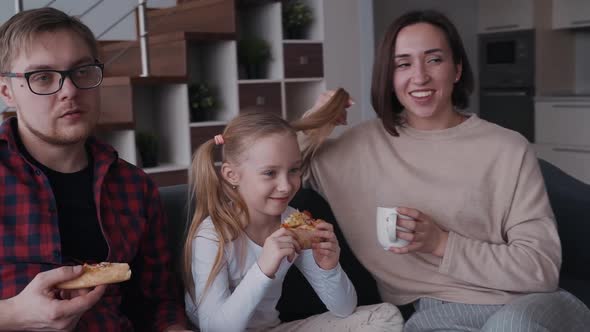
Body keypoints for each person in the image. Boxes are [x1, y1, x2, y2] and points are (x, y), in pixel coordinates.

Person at [302, 9, 590, 332]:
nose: (420, 76)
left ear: (457, 70)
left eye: (434, 59)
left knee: (510, 326)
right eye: (403, 63)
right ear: (388, 75)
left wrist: (442, 243)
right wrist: (315, 122)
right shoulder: (353, 151)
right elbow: (262, 173)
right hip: (436, 313)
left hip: (527, 303)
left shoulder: (507, 149)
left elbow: (541, 269)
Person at [0, 7, 189, 331]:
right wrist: (14, 314)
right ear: (6, 91)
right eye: (42, 77)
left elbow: (158, 302)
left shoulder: (136, 187)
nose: (70, 90)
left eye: (82, 71)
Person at [182, 109, 404, 331]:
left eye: (294, 170)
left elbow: (344, 309)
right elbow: (214, 329)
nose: (286, 186)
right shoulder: (211, 236)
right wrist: (262, 269)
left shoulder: (292, 221)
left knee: (384, 315)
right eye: (270, 173)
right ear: (232, 175)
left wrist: (329, 267)